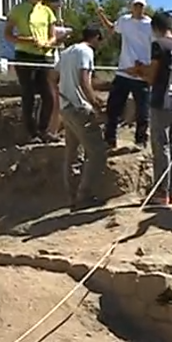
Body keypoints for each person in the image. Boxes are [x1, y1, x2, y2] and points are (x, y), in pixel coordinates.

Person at [131, 11, 172, 206]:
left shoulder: (158, 45)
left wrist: (139, 71)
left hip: (161, 101)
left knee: (161, 147)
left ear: (155, 28)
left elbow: (152, 76)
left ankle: (161, 192)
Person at [55, 26, 106, 210]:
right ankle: (84, 195)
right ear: (96, 38)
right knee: (97, 151)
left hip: (66, 107)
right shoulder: (86, 51)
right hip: (79, 108)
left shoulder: (67, 51)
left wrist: (62, 94)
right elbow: (85, 81)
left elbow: (53, 77)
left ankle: (72, 196)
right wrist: (95, 103)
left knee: (71, 153)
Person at [4, 0, 59, 143]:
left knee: (48, 95)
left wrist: (47, 43)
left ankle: (44, 130)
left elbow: (53, 35)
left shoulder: (47, 11)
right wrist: (25, 40)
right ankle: (31, 133)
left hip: (44, 55)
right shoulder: (18, 9)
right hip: (24, 54)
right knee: (28, 93)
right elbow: (8, 34)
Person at [97, 0, 153, 149]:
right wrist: (101, 15)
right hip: (123, 71)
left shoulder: (150, 25)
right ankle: (110, 139)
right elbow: (111, 28)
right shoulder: (125, 21)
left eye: (141, 5)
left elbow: (156, 46)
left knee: (142, 110)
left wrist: (146, 69)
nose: (138, 8)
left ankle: (141, 140)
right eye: (136, 5)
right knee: (113, 107)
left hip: (141, 74)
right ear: (131, 6)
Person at [43, 0, 70, 138]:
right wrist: (62, 34)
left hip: (53, 62)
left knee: (57, 99)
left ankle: (52, 130)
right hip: (48, 61)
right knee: (54, 100)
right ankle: (50, 130)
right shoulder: (44, 16)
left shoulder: (49, 16)